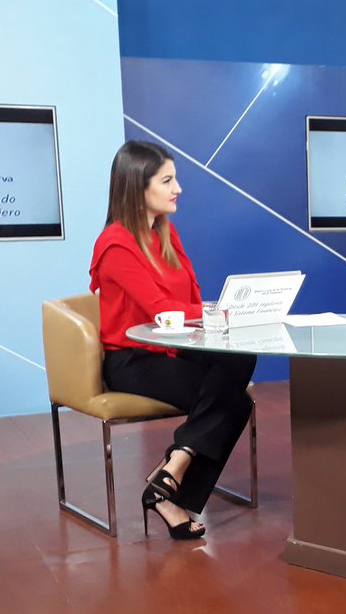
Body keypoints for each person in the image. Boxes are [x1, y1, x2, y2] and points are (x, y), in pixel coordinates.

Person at [89, 141, 257, 540]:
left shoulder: (164, 232)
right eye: (167, 181)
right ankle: (172, 485)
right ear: (137, 186)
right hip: (132, 360)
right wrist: (211, 313)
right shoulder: (114, 244)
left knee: (240, 357)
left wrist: (218, 310)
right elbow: (160, 308)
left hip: (171, 348)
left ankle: (170, 475)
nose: (178, 188)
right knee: (235, 402)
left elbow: (190, 298)